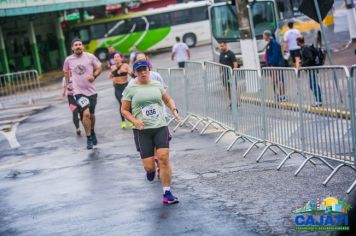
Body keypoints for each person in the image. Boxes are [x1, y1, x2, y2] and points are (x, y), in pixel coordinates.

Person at [121, 60, 180, 204]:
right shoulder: (131, 88)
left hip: (160, 126)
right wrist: (135, 121)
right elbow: (124, 110)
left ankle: (167, 193)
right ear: (135, 72)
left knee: (164, 158)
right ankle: (150, 171)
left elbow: (168, 99)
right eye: (139, 70)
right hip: (142, 131)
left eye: (144, 69)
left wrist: (174, 110)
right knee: (149, 167)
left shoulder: (157, 85)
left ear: (149, 70)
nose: (142, 72)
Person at [63, 38, 102, 150]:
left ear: (83, 46)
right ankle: (89, 138)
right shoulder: (68, 60)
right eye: (76, 45)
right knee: (86, 114)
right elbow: (65, 71)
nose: (78, 46)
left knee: (92, 115)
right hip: (78, 91)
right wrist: (67, 83)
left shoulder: (90, 56)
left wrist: (94, 76)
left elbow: (99, 67)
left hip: (91, 91)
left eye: (80, 44)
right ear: (72, 48)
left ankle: (92, 131)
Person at [296, 36, 322, 107]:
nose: (296, 43)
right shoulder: (303, 49)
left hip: (312, 68)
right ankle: (318, 100)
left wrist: (303, 64)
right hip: (310, 68)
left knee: (313, 84)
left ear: (299, 41)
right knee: (313, 84)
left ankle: (319, 100)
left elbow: (310, 58)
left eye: (297, 41)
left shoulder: (305, 49)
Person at [109, 53, 133, 129]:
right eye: (114, 57)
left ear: (121, 58)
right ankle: (123, 121)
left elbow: (131, 74)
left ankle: (131, 120)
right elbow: (109, 76)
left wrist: (126, 71)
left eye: (118, 57)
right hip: (117, 87)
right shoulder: (112, 67)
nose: (116, 58)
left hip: (125, 86)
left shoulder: (125, 65)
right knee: (121, 103)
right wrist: (114, 72)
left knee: (128, 103)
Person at [263, 30, 286, 102]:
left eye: (263, 35)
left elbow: (275, 55)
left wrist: (271, 63)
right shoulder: (269, 44)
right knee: (276, 81)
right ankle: (281, 95)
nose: (263, 37)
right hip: (272, 65)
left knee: (278, 80)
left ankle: (283, 96)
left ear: (267, 36)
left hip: (276, 65)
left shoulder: (274, 43)